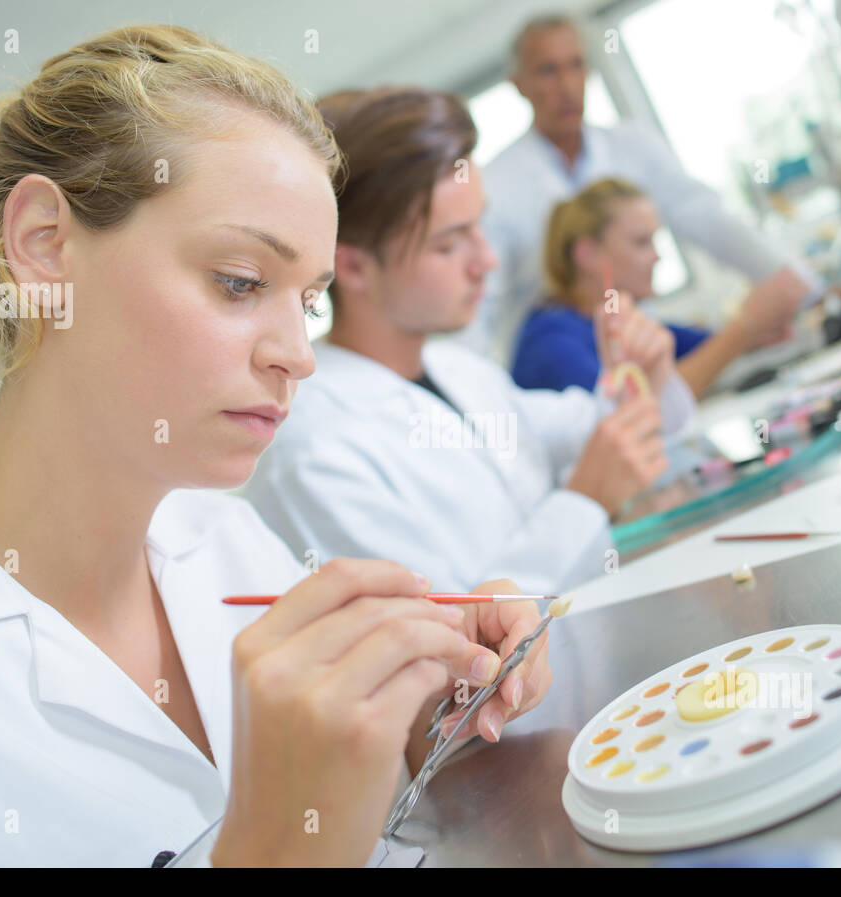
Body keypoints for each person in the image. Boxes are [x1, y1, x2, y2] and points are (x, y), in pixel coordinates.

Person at [0, 25, 551, 868]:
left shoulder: (226, 543)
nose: (299, 354)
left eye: (307, 303)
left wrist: (423, 727)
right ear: (44, 245)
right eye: (240, 282)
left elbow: (362, 823)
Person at [244, 87, 695, 600]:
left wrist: (644, 375)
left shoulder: (460, 370)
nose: (486, 261)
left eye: (479, 227)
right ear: (350, 265)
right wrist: (584, 502)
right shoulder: (314, 455)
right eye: (450, 243)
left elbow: (593, 426)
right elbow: (453, 643)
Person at [465, 12, 821, 365]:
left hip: (637, 343)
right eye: (548, 70)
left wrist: (804, 292)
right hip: (564, 356)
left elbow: (711, 221)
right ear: (519, 85)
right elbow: (480, 300)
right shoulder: (495, 185)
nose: (567, 85)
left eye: (576, 65)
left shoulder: (633, 146)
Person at [512, 177, 801, 398]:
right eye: (641, 243)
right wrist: (745, 328)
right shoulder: (550, 344)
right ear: (588, 254)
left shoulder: (621, 324)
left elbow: (702, 346)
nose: (657, 256)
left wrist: (759, 331)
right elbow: (636, 412)